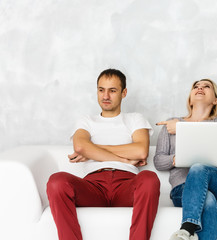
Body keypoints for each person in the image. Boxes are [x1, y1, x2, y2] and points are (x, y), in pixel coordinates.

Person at [46, 69, 160, 240]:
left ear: (124, 93)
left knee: (149, 179)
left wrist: (94, 149)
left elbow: (141, 151)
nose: (105, 96)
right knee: (56, 181)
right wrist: (122, 157)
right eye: (101, 90)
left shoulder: (135, 119)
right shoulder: (86, 120)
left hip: (127, 184)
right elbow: (80, 147)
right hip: (93, 186)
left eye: (112, 90)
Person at [154, 79, 217, 240]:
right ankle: (188, 231)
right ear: (190, 99)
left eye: (206, 86)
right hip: (183, 189)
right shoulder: (170, 124)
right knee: (207, 200)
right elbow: (158, 161)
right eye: (196, 86)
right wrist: (177, 158)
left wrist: (181, 127)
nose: (200, 88)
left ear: (215, 100)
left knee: (198, 167)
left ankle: (187, 228)